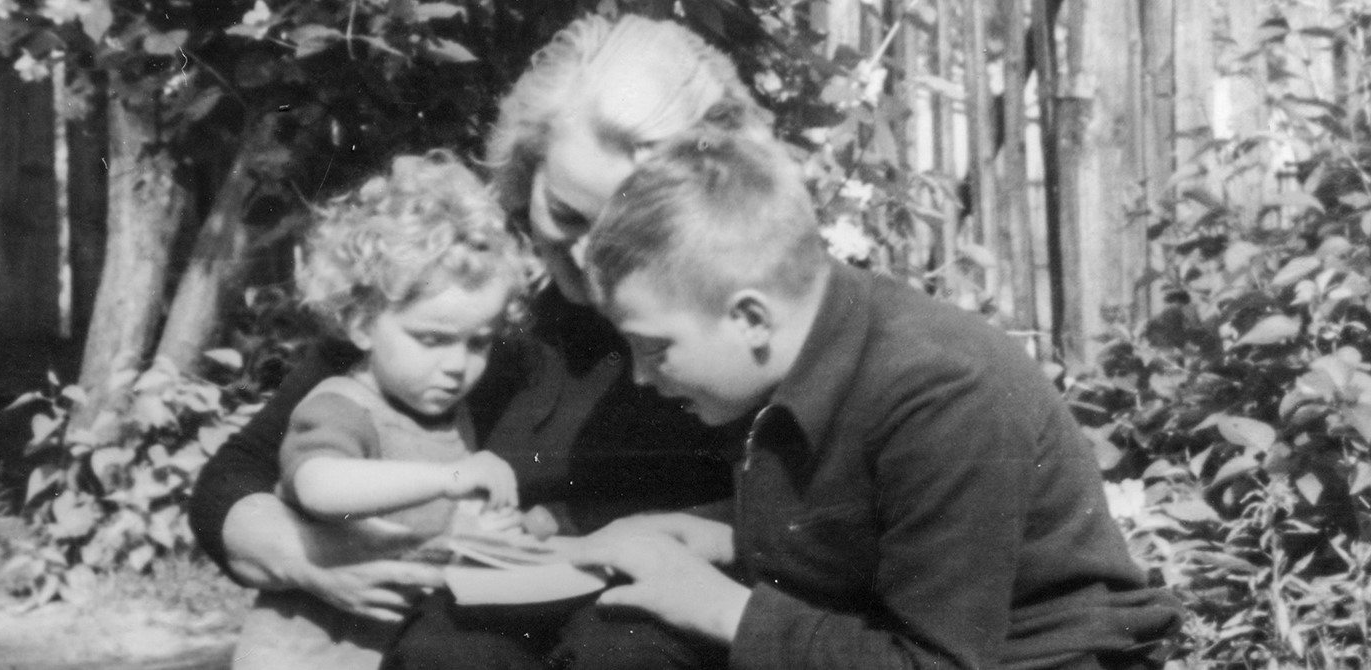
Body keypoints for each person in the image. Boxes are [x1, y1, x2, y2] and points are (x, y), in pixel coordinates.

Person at [189, 13, 751, 670]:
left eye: (623, 231)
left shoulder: (730, 333)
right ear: (527, 169)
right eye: (565, 215)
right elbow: (237, 474)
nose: (587, 254)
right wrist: (308, 558)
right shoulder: (472, 309)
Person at [570, 115, 1184, 669]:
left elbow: (932, 661)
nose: (640, 377)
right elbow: (868, 529)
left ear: (751, 319)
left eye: (653, 348)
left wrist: (721, 607)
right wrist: (729, 537)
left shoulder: (943, 396)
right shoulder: (796, 343)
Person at [233, 152, 542, 670]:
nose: (456, 366)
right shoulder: (344, 405)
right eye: (431, 339)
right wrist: (448, 479)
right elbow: (319, 486)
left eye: (478, 344)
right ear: (361, 323)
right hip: (309, 653)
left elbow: (431, 529)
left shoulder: (448, 417)